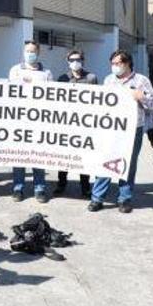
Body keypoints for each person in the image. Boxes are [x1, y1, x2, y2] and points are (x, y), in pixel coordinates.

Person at [90, 50, 153, 213]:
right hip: (111, 128)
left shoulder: (141, 80)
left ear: (127, 63)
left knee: (128, 163)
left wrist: (141, 97)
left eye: (117, 63)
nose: (114, 67)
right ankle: (97, 198)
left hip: (133, 129)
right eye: (112, 64)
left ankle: (124, 198)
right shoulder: (109, 80)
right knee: (105, 162)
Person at [8, 40, 53, 203]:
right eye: (27, 51)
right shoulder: (15, 70)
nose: (30, 54)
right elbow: (10, 94)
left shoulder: (46, 73)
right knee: (19, 156)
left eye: (33, 51)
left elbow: (51, 96)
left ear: (38, 53)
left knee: (38, 156)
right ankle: (18, 188)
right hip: (19, 120)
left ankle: (39, 188)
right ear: (23, 52)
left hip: (39, 121)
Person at [55, 50, 98, 199]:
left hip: (84, 125)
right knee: (64, 157)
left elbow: (97, 101)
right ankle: (61, 184)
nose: (75, 62)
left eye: (78, 59)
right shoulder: (62, 78)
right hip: (66, 124)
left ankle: (85, 187)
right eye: (72, 60)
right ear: (68, 62)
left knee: (83, 157)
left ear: (83, 60)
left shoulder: (91, 78)